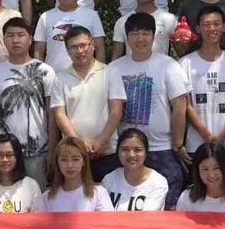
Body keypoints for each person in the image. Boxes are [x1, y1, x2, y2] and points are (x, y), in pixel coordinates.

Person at [107, 12, 190, 209]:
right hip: (126, 150)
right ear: (127, 38)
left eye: (145, 33)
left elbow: (180, 106)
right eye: (135, 34)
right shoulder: (113, 68)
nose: (140, 39)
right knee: (127, 205)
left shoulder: (169, 66)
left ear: (154, 36)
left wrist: (178, 144)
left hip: (161, 148)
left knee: (167, 207)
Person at [0, 19, 58, 188]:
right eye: (10, 35)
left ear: (30, 39)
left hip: (38, 152)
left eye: (20, 35)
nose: (15, 40)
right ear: (4, 40)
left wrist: (52, 150)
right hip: (5, 154)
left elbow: (52, 114)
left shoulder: (45, 71)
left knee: (38, 199)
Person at [50, 26, 123, 181]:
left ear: (92, 45)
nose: (80, 50)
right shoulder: (60, 78)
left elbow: (116, 111)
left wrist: (101, 141)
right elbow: (59, 114)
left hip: (107, 152)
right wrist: (79, 144)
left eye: (83, 45)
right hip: (73, 156)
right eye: (74, 47)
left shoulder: (110, 72)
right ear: (67, 50)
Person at [179, 5, 225, 158]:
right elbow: (186, 104)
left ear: (224, 27)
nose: (212, 29)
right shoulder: (184, 63)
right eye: (206, 24)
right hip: (197, 144)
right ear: (198, 28)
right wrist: (206, 135)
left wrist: (223, 136)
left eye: (216, 24)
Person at [34, 0, 106, 70]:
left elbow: (100, 49)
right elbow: (39, 52)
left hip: (85, 77)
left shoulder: (92, 16)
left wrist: (100, 74)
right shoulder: (45, 17)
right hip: (53, 76)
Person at [111, 0, 177, 59]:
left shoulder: (169, 19)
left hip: (161, 67)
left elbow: (180, 51)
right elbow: (117, 55)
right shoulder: (122, 22)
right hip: (131, 68)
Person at [34, 136, 112, 212]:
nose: (70, 165)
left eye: (75, 159)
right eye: (64, 160)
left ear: (84, 161)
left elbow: (107, 220)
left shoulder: (99, 193)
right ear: (57, 162)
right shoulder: (46, 197)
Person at [102, 128, 169, 212]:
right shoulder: (109, 179)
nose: (131, 155)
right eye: (125, 149)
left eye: (137, 150)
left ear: (146, 153)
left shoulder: (158, 182)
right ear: (117, 152)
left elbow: (147, 216)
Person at [176, 142, 225, 213]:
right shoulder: (186, 198)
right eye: (205, 169)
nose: (211, 175)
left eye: (216, 168)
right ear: (197, 171)